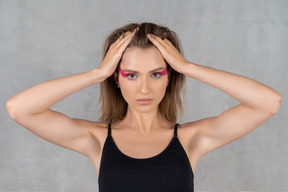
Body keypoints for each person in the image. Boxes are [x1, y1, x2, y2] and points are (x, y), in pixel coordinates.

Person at [6, 22, 282, 192]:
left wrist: (189, 67)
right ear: (117, 78)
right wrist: (97, 73)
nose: (145, 89)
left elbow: (269, 102)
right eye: (131, 75)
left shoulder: (191, 139)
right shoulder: (97, 140)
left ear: (168, 77)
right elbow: (19, 108)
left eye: (156, 73)